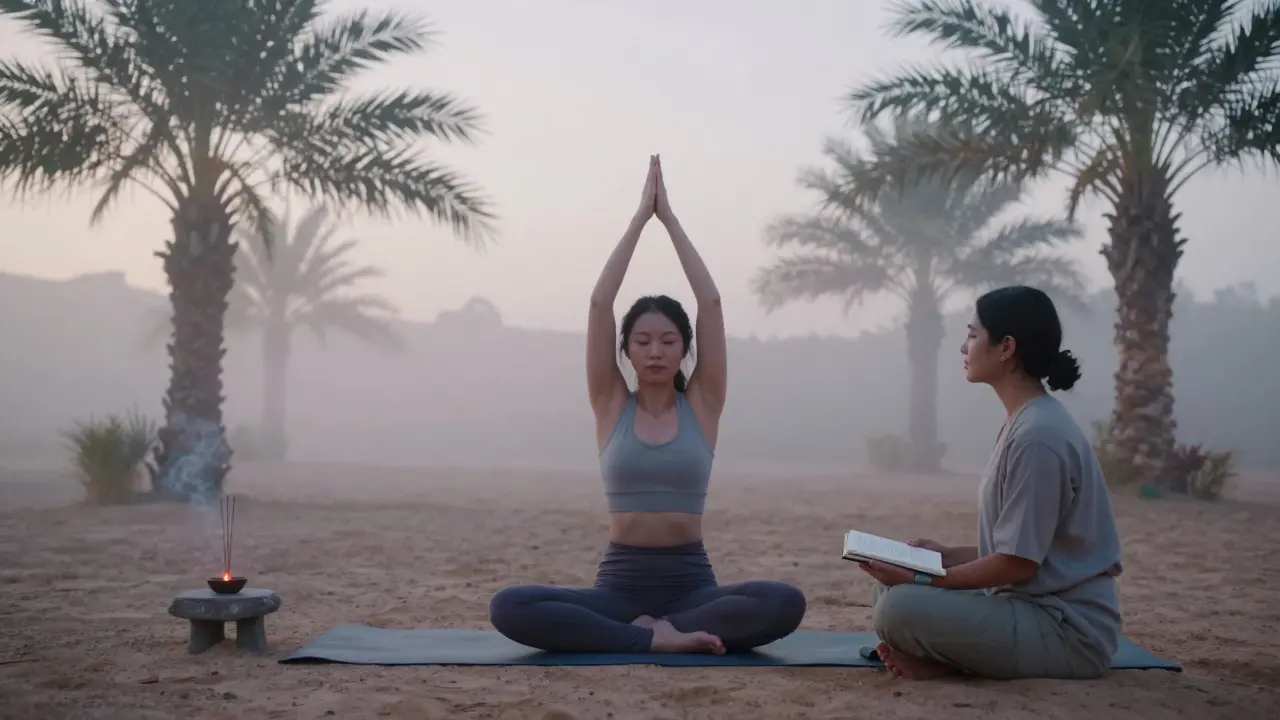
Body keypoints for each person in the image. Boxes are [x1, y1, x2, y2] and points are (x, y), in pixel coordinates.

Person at [488, 155, 807, 654]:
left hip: (691, 586)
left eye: (667, 340)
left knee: (783, 601)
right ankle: (650, 638)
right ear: (627, 350)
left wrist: (671, 221)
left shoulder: (703, 403)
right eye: (642, 341)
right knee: (509, 605)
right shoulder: (610, 402)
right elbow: (599, 305)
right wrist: (640, 219)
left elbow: (712, 305)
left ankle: (659, 632)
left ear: (684, 348)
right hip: (619, 587)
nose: (655, 351)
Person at [858, 285, 1123, 680]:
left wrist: (924, 576)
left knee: (900, 607)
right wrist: (944, 555)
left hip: (1066, 631)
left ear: (1006, 347)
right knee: (891, 589)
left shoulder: (1038, 436)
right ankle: (941, 659)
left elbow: (1018, 563)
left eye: (972, 334)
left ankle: (944, 668)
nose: (964, 348)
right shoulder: (1026, 421)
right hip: (1023, 605)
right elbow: (1025, 547)